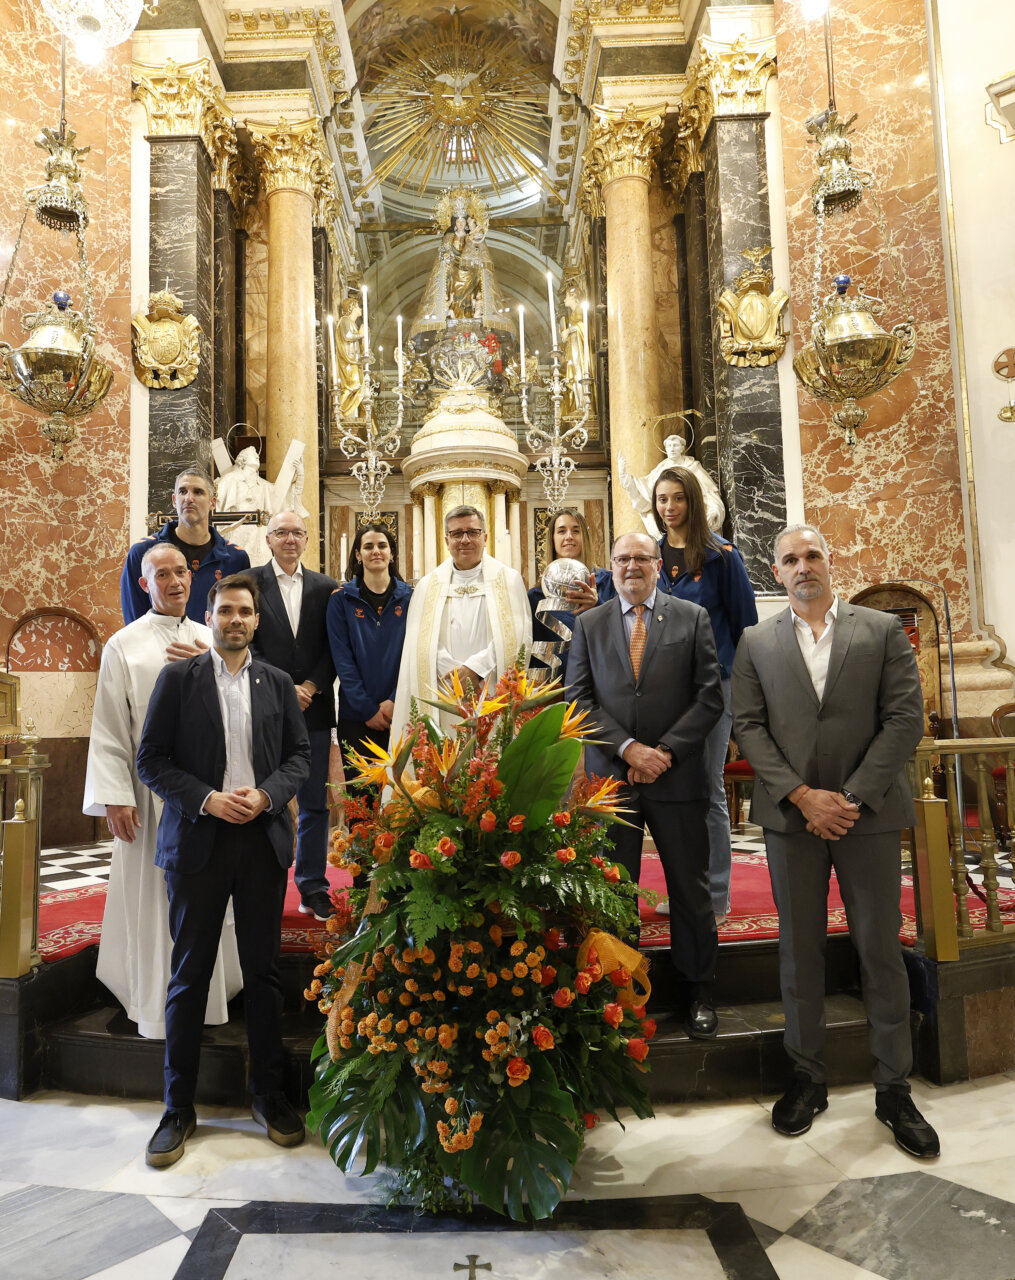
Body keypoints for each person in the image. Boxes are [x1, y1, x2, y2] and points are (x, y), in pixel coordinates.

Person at [731, 524, 939, 1158]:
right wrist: (801, 796)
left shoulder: (878, 632)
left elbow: (906, 717)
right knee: (799, 950)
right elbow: (749, 725)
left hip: (867, 815)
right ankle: (806, 1077)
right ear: (776, 572)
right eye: (790, 559)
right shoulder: (755, 641)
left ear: (830, 560)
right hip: (791, 819)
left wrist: (848, 798)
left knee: (879, 948)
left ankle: (893, 1088)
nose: (802, 567)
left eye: (812, 554)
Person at [137, 574, 311, 1168]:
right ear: (207, 617)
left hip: (260, 843)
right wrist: (207, 798)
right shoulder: (178, 679)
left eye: (244, 612)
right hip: (198, 843)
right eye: (225, 611)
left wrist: (265, 795)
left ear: (256, 621)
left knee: (262, 977)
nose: (234, 620)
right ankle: (177, 1107)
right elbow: (150, 760)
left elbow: (299, 758)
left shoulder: (278, 683)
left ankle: (269, 1095)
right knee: (189, 977)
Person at [567, 531, 724, 1039]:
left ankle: (698, 990)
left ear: (658, 565)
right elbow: (579, 699)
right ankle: (622, 990)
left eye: (641, 558)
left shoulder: (691, 618)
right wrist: (629, 749)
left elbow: (709, 698)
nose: (632, 566)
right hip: (612, 777)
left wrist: (665, 753)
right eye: (622, 559)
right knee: (615, 891)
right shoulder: (589, 624)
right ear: (608, 567)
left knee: (688, 886)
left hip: (676, 775)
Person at [83, 544, 241, 1038]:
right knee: (152, 899)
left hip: (209, 800)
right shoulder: (123, 645)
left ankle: (209, 1001)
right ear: (144, 584)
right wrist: (115, 795)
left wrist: (210, 664)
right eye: (161, 575)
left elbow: (242, 711)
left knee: (207, 900)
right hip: (147, 802)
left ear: (192, 580)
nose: (174, 581)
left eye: (181, 572)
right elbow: (110, 726)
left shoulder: (211, 636)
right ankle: (154, 1003)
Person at [643, 466, 757, 924]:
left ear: (692, 500)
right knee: (675, 792)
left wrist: (744, 695)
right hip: (663, 688)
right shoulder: (649, 556)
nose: (669, 508)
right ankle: (685, 891)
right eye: (662, 500)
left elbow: (746, 625)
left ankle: (714, 896)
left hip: (715, 684)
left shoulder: (721, 556)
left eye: (677, 498)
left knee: (707, 789)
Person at [247, 512, 338, 922]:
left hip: (314, 709)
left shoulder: (325, 588)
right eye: (281, 532)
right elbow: (245, 643)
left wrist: (312, 686)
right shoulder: (249, 583)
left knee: (316, 803)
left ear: (307, 540)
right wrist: (287, 688)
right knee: (264, 797)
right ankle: (263, 883)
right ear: (268, 540)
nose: (289, 539)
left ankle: (313, 885)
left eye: (297, 533)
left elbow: (334, 647)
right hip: (265, 707)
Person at [390, 505, 531, 736]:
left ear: (485, 537)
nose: (465, 540)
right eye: (456, 533)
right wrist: (456, 676)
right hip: (444, 690)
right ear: (447, 540)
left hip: (492, 686)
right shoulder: (428, 586)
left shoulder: (509, 580)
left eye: (472, 532)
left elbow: (517, 635)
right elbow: (420, 642)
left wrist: (475, 669)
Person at [326, 523, 412, 784]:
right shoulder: (340, 599)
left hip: (401, 712)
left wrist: (396, 701)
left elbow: (413, 655)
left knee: (405, 797)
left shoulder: (411, 598)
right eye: (368, 546)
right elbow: (342, 660)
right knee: (363, 803)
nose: (376, 551)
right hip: (356, 716)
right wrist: (367, 709)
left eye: (382, 546)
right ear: (357, 554)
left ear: (392, 553)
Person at [121, 467, 249, 624]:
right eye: (182, 491)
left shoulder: (236, 558)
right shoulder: (142, 552)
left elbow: (240, 617)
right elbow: (135, 622)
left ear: (212, 502)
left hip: (212, 647)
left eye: (198, 492)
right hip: (158, 647)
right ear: (174, 500)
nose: (189, 498)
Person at [527, 508, 608, 679]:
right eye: (562, 531)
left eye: (576, 530)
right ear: (553, 539)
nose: (569, 536)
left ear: (584, 538)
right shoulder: (536, 596)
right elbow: (531, 650)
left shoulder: (608, 582)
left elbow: (623, 632)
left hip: (600, 679)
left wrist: (597, 606)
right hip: (554, 686)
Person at [618, 434, 725, 536]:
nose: (672, 448)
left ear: (682, 448)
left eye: (675, 445)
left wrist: (714, 509)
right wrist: (626, 479)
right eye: (669, 446)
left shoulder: (692, 467)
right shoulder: (660, 470)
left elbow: (710, 493)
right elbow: (645, 494)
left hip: (692, 520)